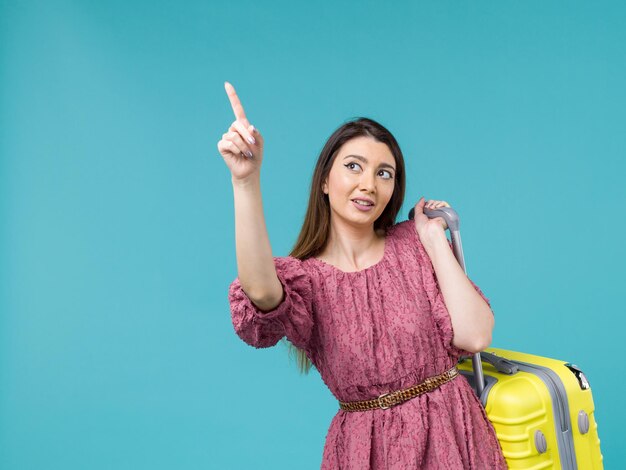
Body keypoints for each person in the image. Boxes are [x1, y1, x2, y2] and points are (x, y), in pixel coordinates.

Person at [218, 81, 508, 469]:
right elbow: (259, 291)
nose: (368, 184)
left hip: (454, 438)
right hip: (367, 453)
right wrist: (245, 180)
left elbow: (475, 335)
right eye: (353, 166)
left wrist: (433, 241)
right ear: (324, 180)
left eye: (384, 173)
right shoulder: (307, 280)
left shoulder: (414, 246)